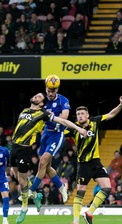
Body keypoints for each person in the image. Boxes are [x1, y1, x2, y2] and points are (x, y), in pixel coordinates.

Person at [10, 92, 87, 224]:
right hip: (14, 147)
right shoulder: (23, 111)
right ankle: (42, 194)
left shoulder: (43, 113)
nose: (36, 96)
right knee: (18, 175)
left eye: (39, 97)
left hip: (25, 149)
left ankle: (26, 204)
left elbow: (62, 120)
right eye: (36, 95)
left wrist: (78, 128)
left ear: (41, 104)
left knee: (36, 169)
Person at [71, 94, 122, 224]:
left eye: (82, 113)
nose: (80, 116)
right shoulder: (73, 128)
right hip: (83, 164)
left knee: (107, 187)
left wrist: (120, 104)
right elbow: (58, 130)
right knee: (80, 194)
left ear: (88, 115)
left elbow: (110, 114)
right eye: (78, 114)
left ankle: (89, 213)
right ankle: (75, 222)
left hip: (95, 162)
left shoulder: (95, 121)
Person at [28, 75, 72, 205]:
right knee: (46, 167)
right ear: (46, 89)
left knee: (42, 161)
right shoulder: (43, 100)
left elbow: (64, 117)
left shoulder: (63, 100)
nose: (51, 93)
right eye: (48, 90)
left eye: (53, 90)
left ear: (57, 90)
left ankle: (32, 190)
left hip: (57, 135)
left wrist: (50, 117)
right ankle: (61, 187)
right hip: (45, 134)